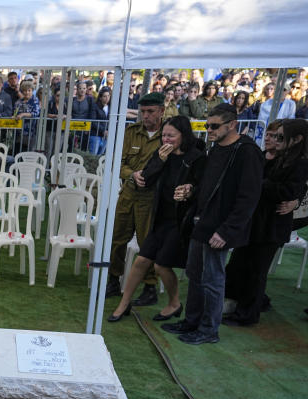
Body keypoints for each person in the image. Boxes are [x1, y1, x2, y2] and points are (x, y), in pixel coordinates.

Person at [162, 104, 263, 344]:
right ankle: (192, 321)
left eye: (215, 126)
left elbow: (249, 197)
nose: (209, 130)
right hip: (202, 223)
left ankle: (208, 330)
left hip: (221, 228)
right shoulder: (215, 148)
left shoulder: (247, 152)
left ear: (232, 124)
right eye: (207, 126)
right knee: (195, 274)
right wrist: (191, 191)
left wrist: (227, 231)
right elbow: (208, 184)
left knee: (213, 280)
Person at [107, 116, 206, 323]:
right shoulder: (161, 154)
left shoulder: (196, 157)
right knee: (142, 260)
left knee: (161, 265)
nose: (166, 140)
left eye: (171, 136)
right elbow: (146, 180)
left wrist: (189, 191)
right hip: (160, 216)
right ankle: (124, 303)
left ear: (183, 135)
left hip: (179, 220)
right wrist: (159, 161)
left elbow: (202, 188)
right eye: (164, 135)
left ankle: (174, 302)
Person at [224, 119, 308, 326]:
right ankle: (249, 303)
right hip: (257, 222)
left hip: (271, 226)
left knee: (256, 271)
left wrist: (259, 185)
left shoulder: (299, 162)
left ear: (296, 140)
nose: (274, 140)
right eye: (272, 136)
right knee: (240, 264)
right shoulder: (275, 157)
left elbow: (290, 191)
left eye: (280, 137)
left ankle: (247, 314)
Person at [104, 93, 165, 302]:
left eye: (151, 112)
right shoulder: (131, 132)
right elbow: (117, 163)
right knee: (117, 237)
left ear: (161, 111)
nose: (145, 116)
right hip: (129, 192)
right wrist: (132, 174)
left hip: (151, 197)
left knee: (146, 242)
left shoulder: (168, 135)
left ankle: (150, 287)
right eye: (143, 111)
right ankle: (113, 280)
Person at [89, 87, 111, 155]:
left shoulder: (111, 106)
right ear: (100, 98)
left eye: (108, 96)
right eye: (104, 96)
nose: (107, 98)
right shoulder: (95, 106)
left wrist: (108, 131)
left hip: (106, 135)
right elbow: (94, 121)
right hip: (96, 134)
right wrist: (103, 130)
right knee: (93, 155)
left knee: (100, 155)